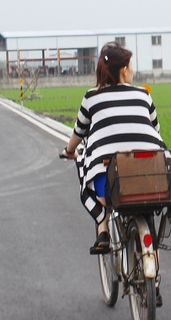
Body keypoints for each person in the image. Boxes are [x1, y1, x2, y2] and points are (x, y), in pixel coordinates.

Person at [60, 42, 164, 254]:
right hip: (150, 172)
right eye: (131, 66)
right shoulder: (143, 95)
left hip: (109, 174)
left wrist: (70, 152)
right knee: (147, 210)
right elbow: (155, 129)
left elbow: (78, 134)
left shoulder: (91, 97)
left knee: (89, 165)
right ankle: (154, 274)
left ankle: (103, 226)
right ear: (124, 70)